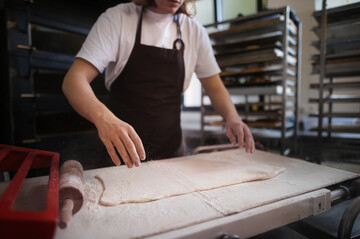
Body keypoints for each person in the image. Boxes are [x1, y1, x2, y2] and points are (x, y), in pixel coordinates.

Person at [62, 0, 255, 169]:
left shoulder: (194, 31)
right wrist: (104, 119)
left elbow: (215, 86)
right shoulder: (119, 18)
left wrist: (233, 117)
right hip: (121, 157)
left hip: (172, 155)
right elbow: (74, 80)